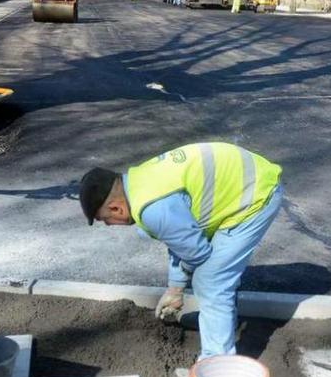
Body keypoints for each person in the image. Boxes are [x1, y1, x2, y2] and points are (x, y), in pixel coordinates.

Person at [79, 143, 283, 360]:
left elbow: (196, 253)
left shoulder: (152, 209)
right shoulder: (139, 183)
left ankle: (216, 363)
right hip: (239, 185)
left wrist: (180, 285)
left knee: (211, 279)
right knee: (212, 274)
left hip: (255, 196)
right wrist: (174, 289)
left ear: (116, 209)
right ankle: (216, 320)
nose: (109, 226)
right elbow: (181, 241)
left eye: (105, 220)